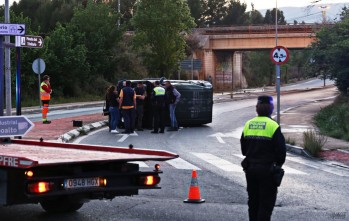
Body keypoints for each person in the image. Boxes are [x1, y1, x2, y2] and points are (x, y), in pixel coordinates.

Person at [240, 95, 286, 221]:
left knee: (253, 202)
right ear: (271, 108)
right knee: (265, 204)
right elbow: (281, 152)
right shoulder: (273, 126)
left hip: (250, 169)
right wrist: (278, 165)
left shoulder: (248, 124)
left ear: (257, 108)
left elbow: (244, 150)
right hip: (267, 170)